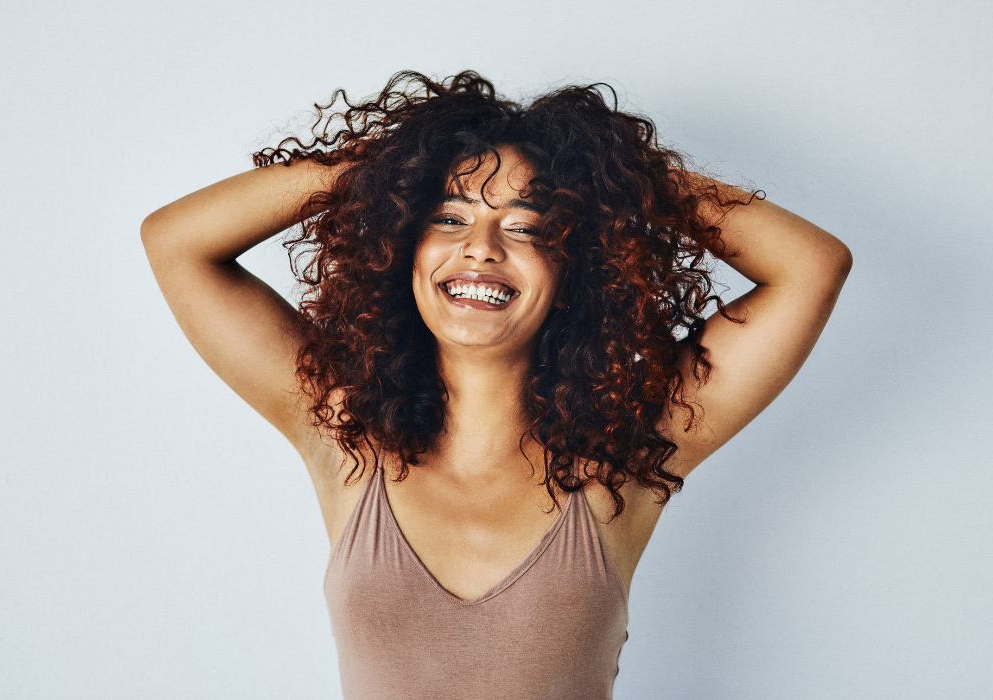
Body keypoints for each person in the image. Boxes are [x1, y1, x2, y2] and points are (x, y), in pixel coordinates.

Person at [141, 71, 852, 699]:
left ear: (576, 265)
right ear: (400, 246)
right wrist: (394, 164)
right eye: (449, 217)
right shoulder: (340, 426)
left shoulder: (627, 456)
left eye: (527, 226)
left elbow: (812, 265)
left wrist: (612, 178)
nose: (481, 246)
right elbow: (176, 241)